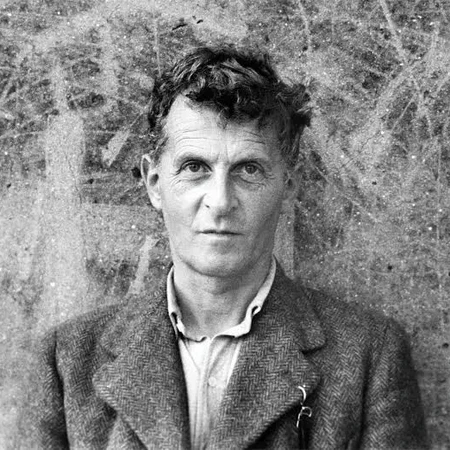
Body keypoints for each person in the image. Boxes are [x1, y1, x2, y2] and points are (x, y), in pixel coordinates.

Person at [33, 45, 428, 449]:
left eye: (248, 169)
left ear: (288, 185)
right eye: (194, 167)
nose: (220, 201)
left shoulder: (369, 357)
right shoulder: (67, 360)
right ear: (154, 183)